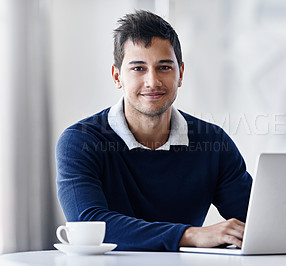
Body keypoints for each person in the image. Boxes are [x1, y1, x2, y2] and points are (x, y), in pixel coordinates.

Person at [56, 10, 252, 251]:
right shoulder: (80, 141)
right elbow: (88, 224)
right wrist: (190, 235)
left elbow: (258, 220)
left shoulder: (213, 142)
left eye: (164, 67)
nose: (152, 81)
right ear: (117, 77)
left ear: (180, 73)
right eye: (138, 68)